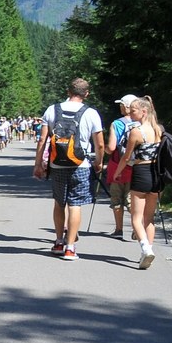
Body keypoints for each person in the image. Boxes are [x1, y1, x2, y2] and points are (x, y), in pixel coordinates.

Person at [33, 78, 105, 261]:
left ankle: (58, 242)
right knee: (75, 204)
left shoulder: (52, 109)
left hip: (57, 164)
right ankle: (70, 248)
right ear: (86, 93)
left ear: (68, 91)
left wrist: (38, 164)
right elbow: (100, 144)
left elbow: (42, 140)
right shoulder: (91, 113)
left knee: (59, 202)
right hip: (80, 164)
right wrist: (98, 162)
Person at [111, 96, 163, 269]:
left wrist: (116, 174)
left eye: (133, 110)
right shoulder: (159, 129)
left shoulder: (136, 132)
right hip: (156, 174)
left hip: (141, 173)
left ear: (144, 111)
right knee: (149, 218)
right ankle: (148, 250)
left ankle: (146, 249)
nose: (130, 113)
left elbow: (126, 157)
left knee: (136, 218)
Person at [104, 94, 138, 240]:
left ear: (126, 106)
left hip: (117, 164)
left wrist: (104, 150)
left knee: (117, 199)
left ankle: (119, 229)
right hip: (136, 166)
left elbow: (111, 148)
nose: (120, 107)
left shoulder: (117, 123)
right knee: (132, 199)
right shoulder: (142, 123)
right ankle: (138, 227)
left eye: (121, 104)